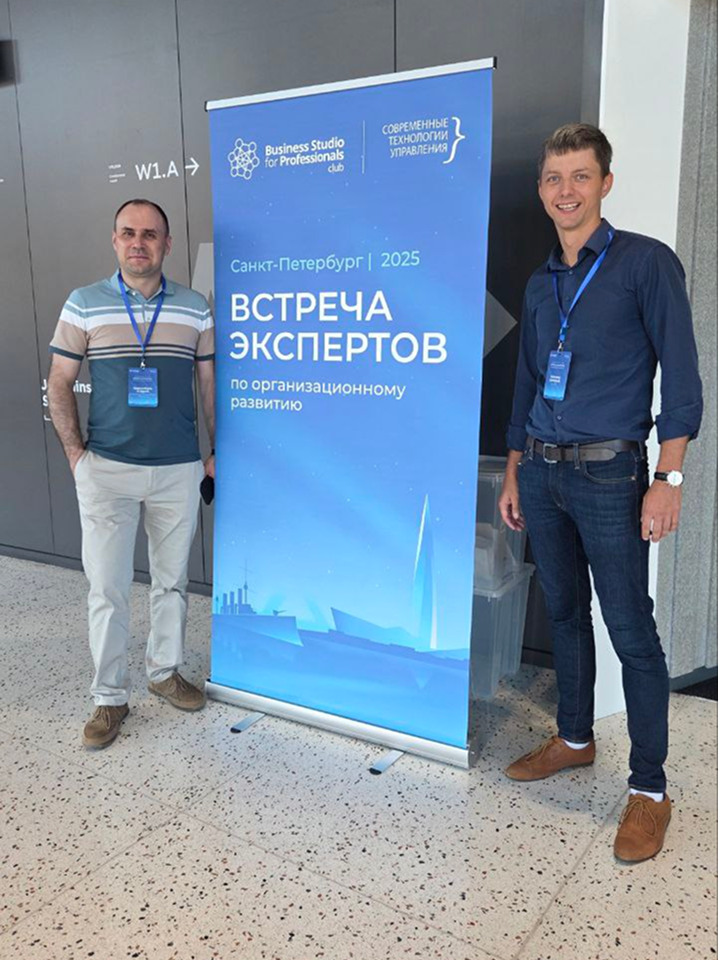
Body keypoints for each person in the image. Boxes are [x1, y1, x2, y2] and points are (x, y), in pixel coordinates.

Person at [498, 124, 703, 863]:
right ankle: (576, 738)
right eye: (555, 178)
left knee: (631, 630)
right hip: (543, 470)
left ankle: (650, 790)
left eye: (580, 176)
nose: (566, 191)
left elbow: (682, 377)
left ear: (605, 183)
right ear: (542, 190)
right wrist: (516, 470)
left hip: (612, 473)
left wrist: (667, 479)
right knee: (563, 613)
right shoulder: (540, 282)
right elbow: (528, 380)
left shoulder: (645, 263)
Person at [48, 199, 216, 749]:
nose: (138, 242)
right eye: (128, 233)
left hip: (177, 469)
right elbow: (59, 381)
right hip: (107, 470)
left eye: (149, 234)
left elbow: (208, 385)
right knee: (108, 588)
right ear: (115, 240)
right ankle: (109, 698)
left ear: (167, 243)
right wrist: (77, 456)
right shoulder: (84, 303)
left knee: (171, 582)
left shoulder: (193, 308)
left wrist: (214, 451)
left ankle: (164, 672)